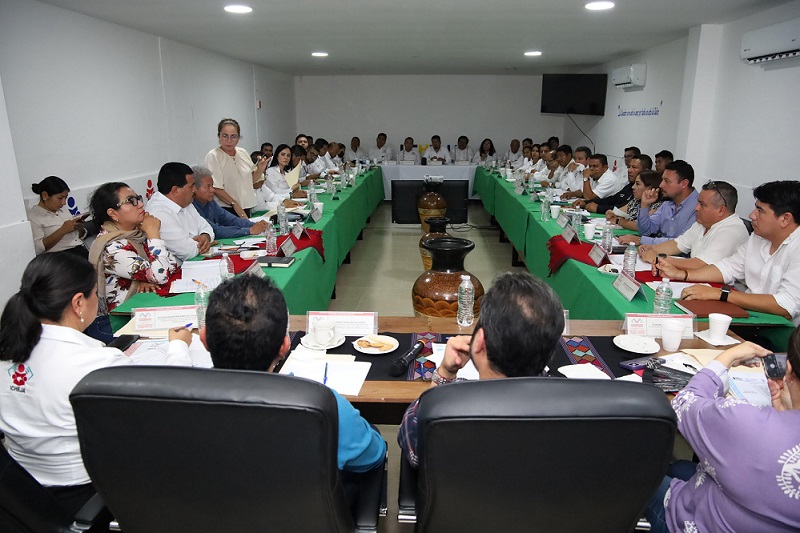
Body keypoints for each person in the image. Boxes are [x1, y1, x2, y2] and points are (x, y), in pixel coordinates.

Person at [0, 253, 191, 517]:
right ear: (78, 303)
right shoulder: (96, 362)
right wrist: (178, 347)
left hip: (22, 493)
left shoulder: (8, 349)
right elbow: (170, 401)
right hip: (86, 493)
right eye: (94, 295)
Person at [200, 275, 386, 477]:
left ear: (204, 338)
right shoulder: (324, 406)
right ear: (284, 346)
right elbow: (373, 456)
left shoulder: (173, 401)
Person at [398, 272, 564, 468]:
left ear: (479, 342)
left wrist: (444, 374)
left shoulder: (448, 410)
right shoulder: (574, 408)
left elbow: (413, 447)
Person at [644, 331, 800, 532]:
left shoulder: (747, 423)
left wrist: (729, 356)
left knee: (634, 474)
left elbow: (683, 403)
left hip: (696, 523)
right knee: (680, 468)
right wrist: (786, 414)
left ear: (789, 370)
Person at [656, 180, 800, 324]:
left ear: (785, 219)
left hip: (780, 329)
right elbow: (728, 267)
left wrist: (721, 294)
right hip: (749, 315)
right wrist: (682, 275)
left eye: (760, 210)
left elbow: (786, 305)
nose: (752, 215)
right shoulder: (758, 237)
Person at [88, 182, 178, 313]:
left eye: (138, 198)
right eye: (131, 201)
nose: (140, 204)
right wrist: (153, 233)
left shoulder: (137, 233)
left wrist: (147, 277)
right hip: (125, 315)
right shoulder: (111, 247)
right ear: (113, 213)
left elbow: (172, 265)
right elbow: (161, 276)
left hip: (148, 302)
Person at [638, 180, 749, 270]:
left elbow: (701, 265)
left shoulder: (732, 230)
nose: (696, 208)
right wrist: (651, 249)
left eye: (702, 204)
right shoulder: (702, 223)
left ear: (721, 210)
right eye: (698, 202)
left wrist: (658, 258)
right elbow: (677, 244)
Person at [145, 162, 214, 262]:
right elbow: (187, 251)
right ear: (175, 190)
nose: (194, 190)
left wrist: (205, 236)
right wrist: (202, 244)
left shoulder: (185, 202)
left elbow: (206, 227)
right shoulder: (158, 212)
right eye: (191, 187)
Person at [619, 160, 699, 246]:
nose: (661, 185)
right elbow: (646, 231)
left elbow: (682, 243)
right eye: (662, 180)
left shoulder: (698, 207)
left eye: (666, 181)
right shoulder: (667, 204)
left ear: (684, 183)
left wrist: (641, 240)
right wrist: (644, 205)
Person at [204, 118, 266, 218]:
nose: (229, 140)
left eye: (233, 136)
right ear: (219, 136)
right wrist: (236, 206)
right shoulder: (213, 155)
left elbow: (250, 181)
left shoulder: (242, 152)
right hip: (226, 209)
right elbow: (216, 188)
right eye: (225, 136)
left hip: (246, 207)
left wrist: (260, 169)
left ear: (238, 138)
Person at [191, 167, 268, 239]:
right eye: (208, 186)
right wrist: (249, 231)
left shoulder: (210, 203)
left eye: (212, 185)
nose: (212, 190)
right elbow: (215, 231)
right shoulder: (191, 207)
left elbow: (231, 220)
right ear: (194, 189)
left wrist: (255, 225)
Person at [27, 176, 88, 257]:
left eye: (66, 198)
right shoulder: (34, 216)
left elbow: (79, 237)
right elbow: (38, 249)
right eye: (60, 198)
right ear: (45, 195)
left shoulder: (62, 210)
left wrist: (77, 227)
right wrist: (63, 230)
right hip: (59, 257)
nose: (64, 203)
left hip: (79, 249)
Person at [576, 154, 652, 214]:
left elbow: (624, 208)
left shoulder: (648, 190)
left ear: (646, 171)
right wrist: (585, 203)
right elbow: (612, 199)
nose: (629, 170)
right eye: (629, 167)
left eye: (634, 167)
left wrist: (598, 208)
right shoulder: (629, 186)